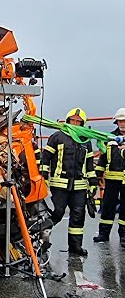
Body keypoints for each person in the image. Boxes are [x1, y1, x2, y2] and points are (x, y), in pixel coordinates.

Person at [40, 108, 98, 256]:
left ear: (83, 124)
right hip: (59, 184)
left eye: (79, 122)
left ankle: (75, 247)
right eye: (73, 120)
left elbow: (90, 164)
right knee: (57, 212)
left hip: (79, 186)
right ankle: (40, 239)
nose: (76, 123)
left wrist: (93, 182)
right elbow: (45, 158)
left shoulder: (86, 140)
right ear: (68, 121)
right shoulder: (57, 137)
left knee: (78, 216)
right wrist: (43, 176)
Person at [93, 108, 125, 246]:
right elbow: (103, 158)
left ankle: (124, 236)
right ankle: (103, 234)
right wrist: (98, 175)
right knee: (107, 207)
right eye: (120, 121)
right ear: (116, 122)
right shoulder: (110, 138)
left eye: (124, 121)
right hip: (111, 179)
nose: (122, 124)